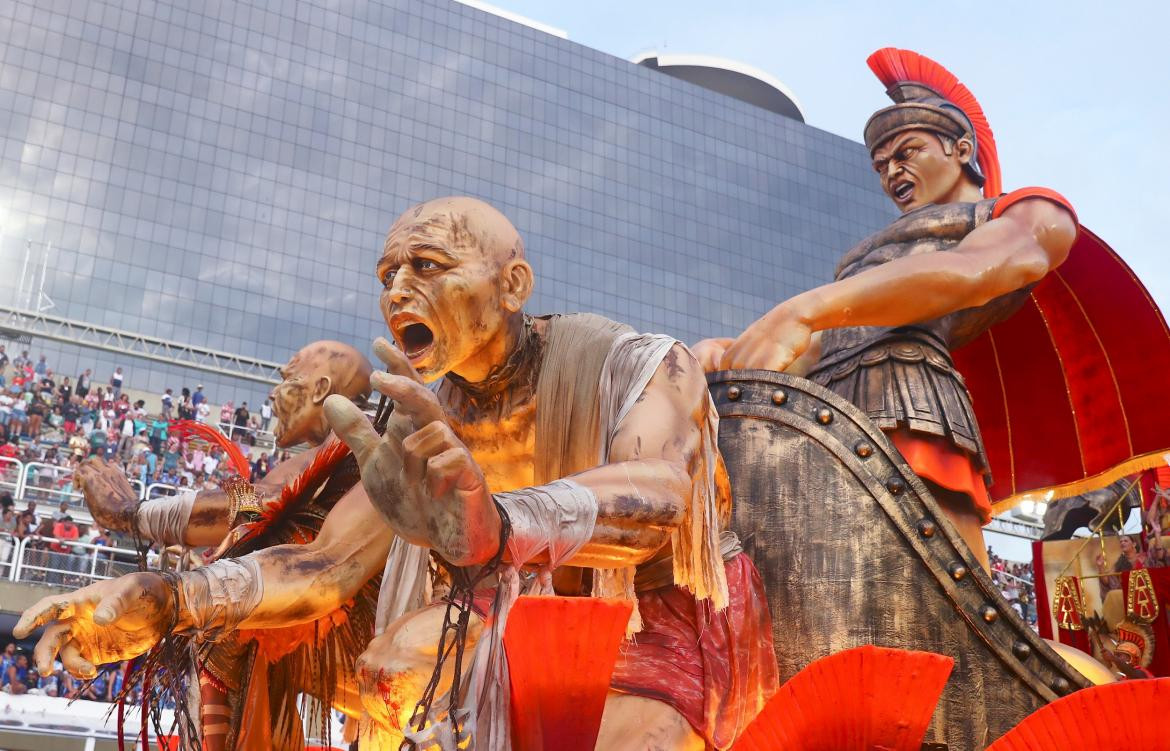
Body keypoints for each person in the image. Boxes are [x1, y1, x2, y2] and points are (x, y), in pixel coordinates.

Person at [17, 198, 778, 751]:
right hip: (506, 618)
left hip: (654, 623)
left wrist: (501, 523)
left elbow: (662, 497)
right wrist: (170, 599)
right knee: (386, 665)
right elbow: (325, 560)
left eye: (426, 266)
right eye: (387, 272)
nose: (394, 290)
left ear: (513, 285)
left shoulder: (637, 361)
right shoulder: (399, 425)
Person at [695, 49, 1078, 573]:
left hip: (910, 399)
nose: (892, 172)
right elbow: (812, 347)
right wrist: (720, 354)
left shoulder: (1021, 212)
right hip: (824, 412)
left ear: (961, 148)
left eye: (907, 152)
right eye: (881, 165)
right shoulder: (860, 267)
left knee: (931, 584)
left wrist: (805, 310)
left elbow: (974, 270)